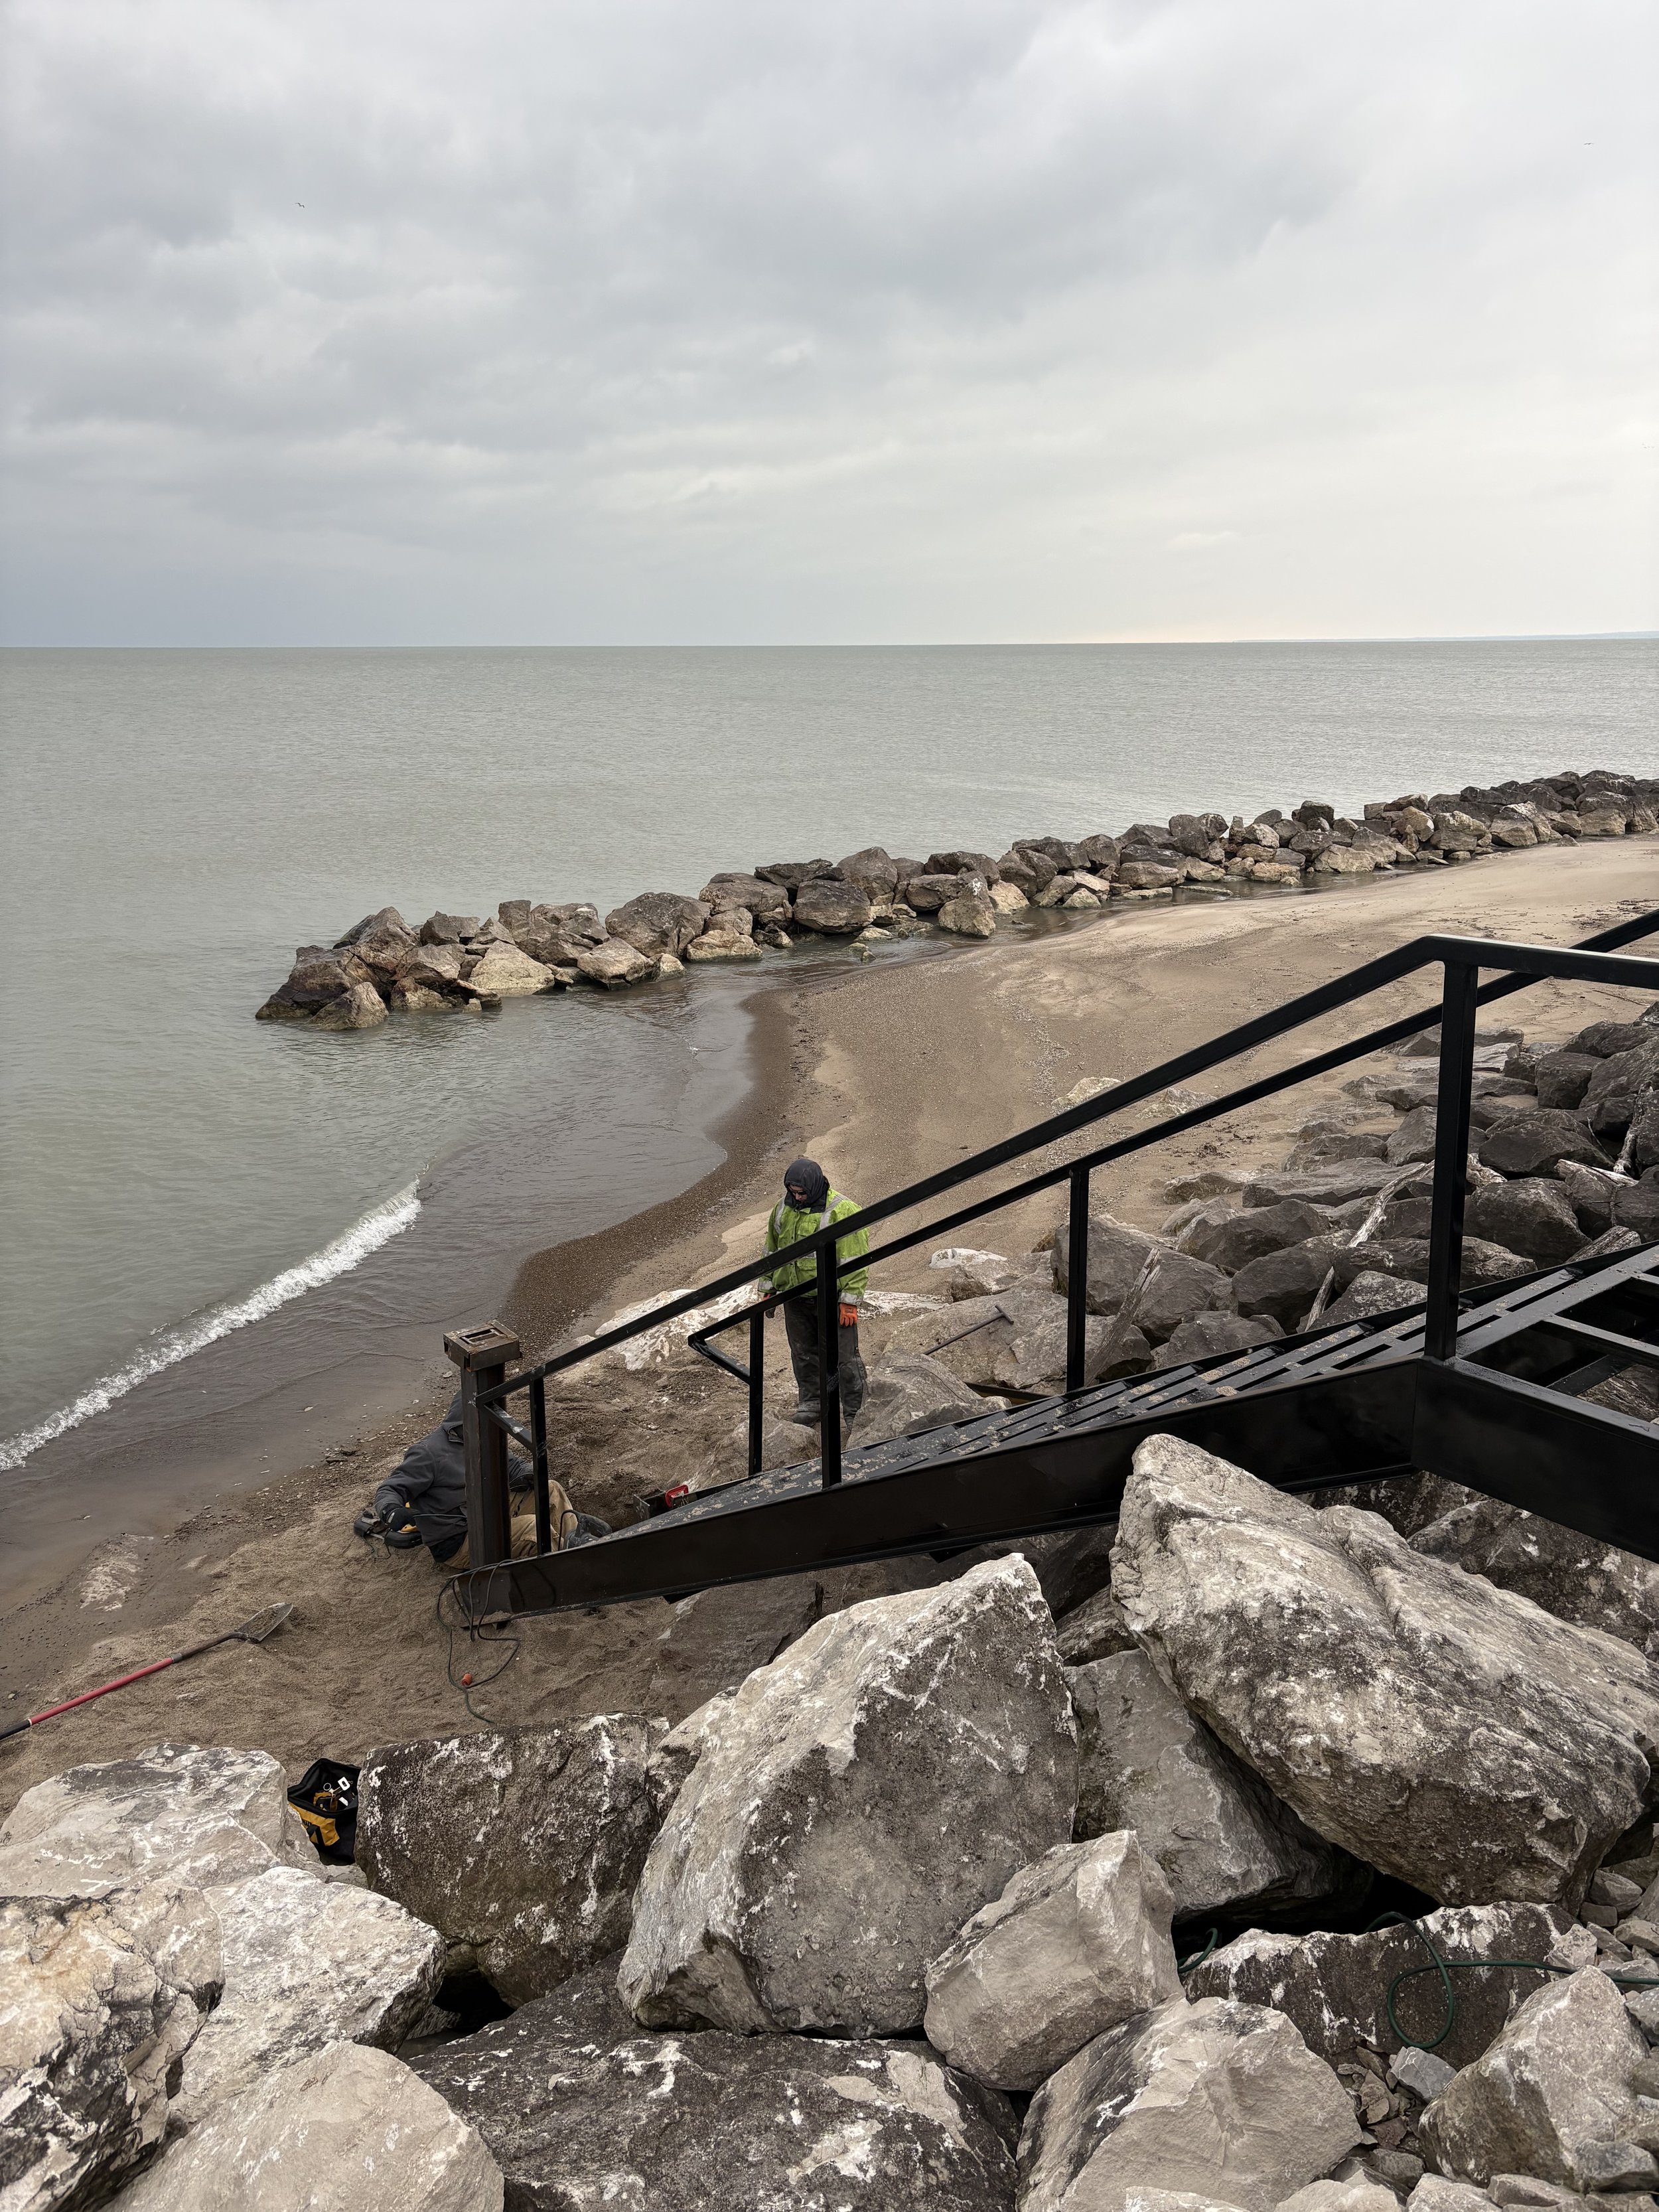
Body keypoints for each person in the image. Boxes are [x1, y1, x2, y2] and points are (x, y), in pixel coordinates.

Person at [369, 1390, 578, 1568]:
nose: (489, 1426)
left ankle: (576, 1546)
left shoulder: (485, 1439)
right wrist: (391, 1510)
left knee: (550, 1489)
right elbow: (390, 1489)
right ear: (465, 1419)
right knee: (532, 1527)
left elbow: (515, 1466)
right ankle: (572, 1565)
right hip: (459, 1541)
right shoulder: (428, 1453)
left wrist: (529, 1473)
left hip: (488, 1514)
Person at [761, 1156, 869, 1429]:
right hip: (795, 1296)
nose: (797, 1198)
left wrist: (850, 1301)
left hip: (831, 1297)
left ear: (815, 1186)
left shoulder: (841, 1210)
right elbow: (771, 1251)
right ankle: (812, 1402)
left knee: (845, 1356)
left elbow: (854, 1259)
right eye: (792, 1192)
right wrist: (768, 1288)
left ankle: (855, 1409)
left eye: (802, 1193)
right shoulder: (782, 1210)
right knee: (803, 1353)